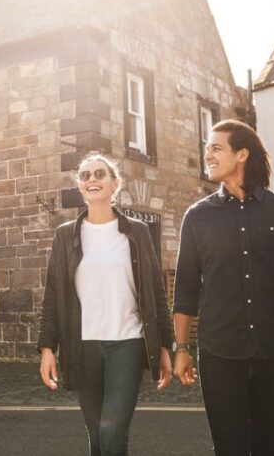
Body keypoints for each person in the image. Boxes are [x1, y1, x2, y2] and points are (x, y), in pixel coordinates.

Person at [173, 119, 274, 456]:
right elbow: (186, 289)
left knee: (268, 449)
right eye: (206, 147)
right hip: (218, 355)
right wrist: (181, 347)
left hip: (273, 354)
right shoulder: (197, 217)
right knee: (229, 450)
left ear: (242, 154)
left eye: (215, 147)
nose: (207, 154)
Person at [38, 152, 174, 456]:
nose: (92, 180)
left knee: (112, 429)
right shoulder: (65, 236)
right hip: (82, 346)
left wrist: (165, 345)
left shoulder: (136, 232)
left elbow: (155, 291)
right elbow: (52, 295)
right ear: (80, 186)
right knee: (97, 433)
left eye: (100, 174)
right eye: (85, 176)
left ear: (115, 184)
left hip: (127, 343)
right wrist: (47, 349)